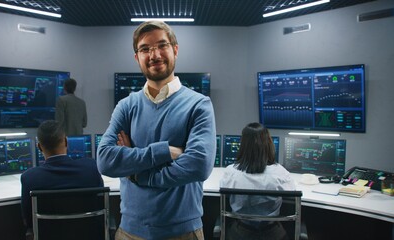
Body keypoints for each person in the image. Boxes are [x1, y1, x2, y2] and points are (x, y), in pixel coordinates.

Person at [97, 20, 216, 240]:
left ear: (175, 50)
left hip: (183, 233)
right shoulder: (126, 106)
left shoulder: (199, 105)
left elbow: (198, 165)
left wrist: (137, 173)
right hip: (130, 231)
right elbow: (105, 159)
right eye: (145, 49)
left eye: (162, 45)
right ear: (137, 57)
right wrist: (166, 152)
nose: (154, 54)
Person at [20, 120, 103, 239]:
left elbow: (29, 221)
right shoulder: (91, 168)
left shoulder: (29, 178)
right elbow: (100, 205)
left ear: (39, 147)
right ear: (66, 142)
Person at [220, 122, 296, 240]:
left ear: (243, 145)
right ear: (268, 144)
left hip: (240, 233)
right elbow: (293, 192)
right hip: (273, 234)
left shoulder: (231, 172)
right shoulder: (280, 173)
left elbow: (223, 190)